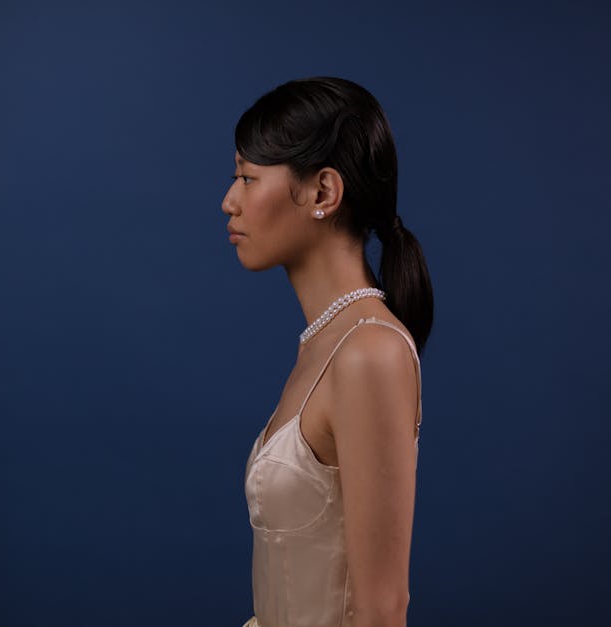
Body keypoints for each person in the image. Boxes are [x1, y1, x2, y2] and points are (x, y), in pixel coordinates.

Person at [221, 77, 434, 627]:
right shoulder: (325, 342)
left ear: (323, 193)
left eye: (247, 177)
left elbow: (382, 611)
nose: (229, 201)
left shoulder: (369, 352)